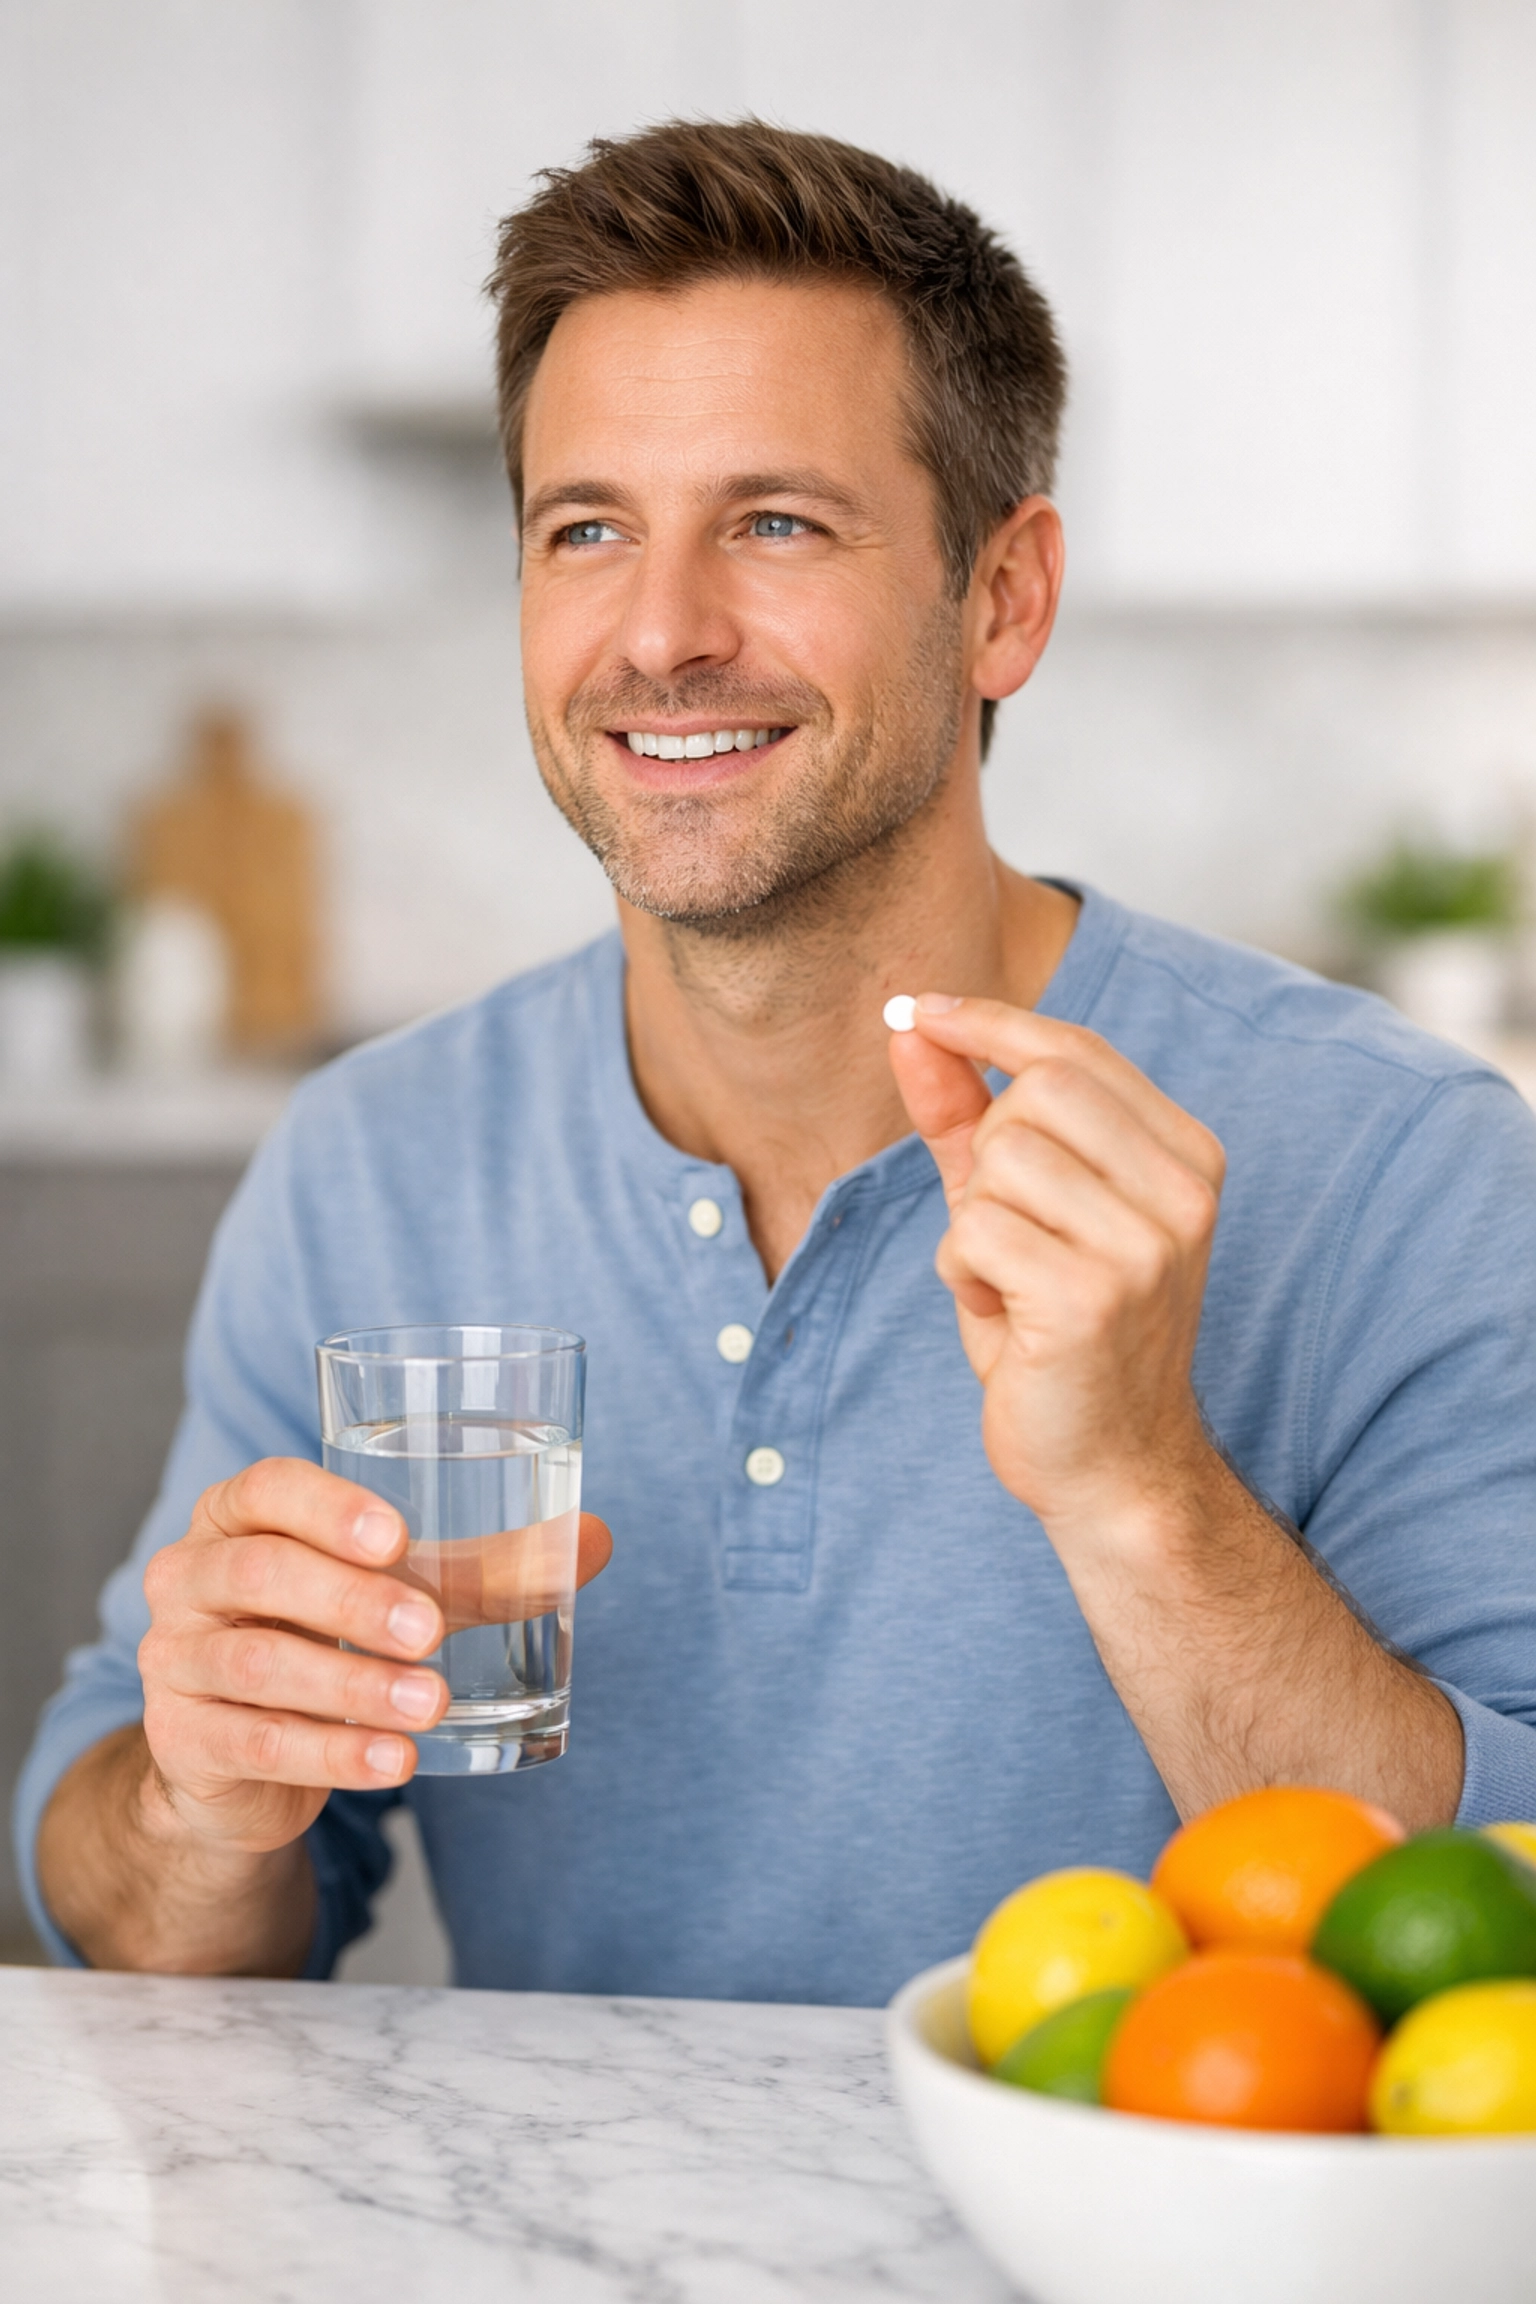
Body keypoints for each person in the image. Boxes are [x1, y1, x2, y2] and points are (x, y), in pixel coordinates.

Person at [18, 121, 1536, 2000]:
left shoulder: (1403, 1164)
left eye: (776, 523)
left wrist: (1143, 1491)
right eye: (587, 531)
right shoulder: (375, 1166)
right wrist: (202, 1799)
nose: (660, 635)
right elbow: (142, 1915)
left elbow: (1491, 1952)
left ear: (1004, 597)